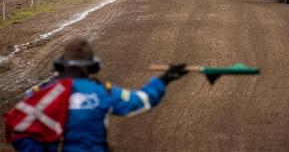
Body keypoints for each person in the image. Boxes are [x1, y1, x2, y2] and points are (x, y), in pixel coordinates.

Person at [6, 37, 187, 152]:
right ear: (93, 66)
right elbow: (141, 101)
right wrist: (165, 79)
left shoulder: (39, 93)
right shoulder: (102, 91)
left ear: (60, 65)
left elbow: (17, 127)